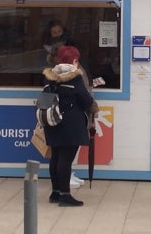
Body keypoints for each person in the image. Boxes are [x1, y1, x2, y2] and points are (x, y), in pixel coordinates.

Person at [42, 45, 94, 207]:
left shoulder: (50, 75)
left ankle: (55, 192)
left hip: (53, 121)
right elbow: (86, 100)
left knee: (56, 157)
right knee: (65, 160)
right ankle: (65, 195)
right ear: (74, 60)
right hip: (70, 124)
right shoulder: (75, 77)